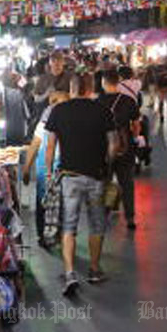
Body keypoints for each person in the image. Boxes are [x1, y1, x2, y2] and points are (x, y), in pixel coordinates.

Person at [44, 74, 115, 295]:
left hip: (69, 176)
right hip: (95, 176)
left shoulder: (58, 111)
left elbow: (50, 146)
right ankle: (94, 269)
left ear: (72, 88)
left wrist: (48, 173)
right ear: (91, 88)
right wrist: (106, 165)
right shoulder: (103, 111)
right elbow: (113, 144)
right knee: (96, 224)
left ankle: (69, 273)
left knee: (69, 226)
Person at [20, 87, 67, 249]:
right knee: (46, 202)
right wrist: (26, 169)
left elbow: (35, 144)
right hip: (48, 169)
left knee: (55, 202)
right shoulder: (46, 119)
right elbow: (35, 144)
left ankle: (56, 235)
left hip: (59, 168)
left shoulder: (61, 118)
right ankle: (45, 235)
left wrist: (27, 169)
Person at [105, 67, 142, 229]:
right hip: (125, 147)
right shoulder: (129, 101)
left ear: (103, 82)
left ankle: (104, 213)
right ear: (118, 81)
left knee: (105, 181)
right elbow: (136, 126)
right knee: (127, 182)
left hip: (105, 149)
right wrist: (133, 137)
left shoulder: (98, 101)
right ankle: (130, 218)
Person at [150, 59, 167, 126]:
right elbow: (156, 81)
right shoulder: (159, 69)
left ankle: (166, 116)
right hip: (163, 88)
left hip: (166, 88)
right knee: (164, 103)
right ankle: (163, 116)